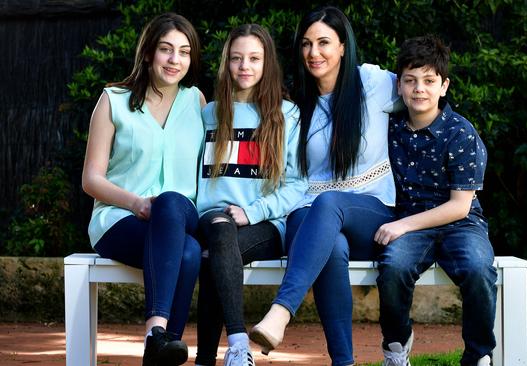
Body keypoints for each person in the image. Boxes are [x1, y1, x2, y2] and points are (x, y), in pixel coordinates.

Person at [250, 6, 401, 366]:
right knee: (329, 245)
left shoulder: (376, 84)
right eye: (306, 44)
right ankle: (343, 362)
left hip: (371, 212)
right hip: (308, 213)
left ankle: (280, 313)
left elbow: (424, 92)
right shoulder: (295, 104)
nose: (313, 53)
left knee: (330, 203)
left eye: (323, 43)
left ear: (343, 46)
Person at [81, 12, 205, 366]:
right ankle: (163, 346)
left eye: (184, 52)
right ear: (149, 53)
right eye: (166, 49)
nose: (174, 59)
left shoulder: (196, 102)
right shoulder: (113, 101)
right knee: (189, 254)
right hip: (119, 220)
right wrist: (135, 202)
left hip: (180, 215)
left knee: (170, 203)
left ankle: (155, 331)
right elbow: (91, 179)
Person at [373, 35, 496, 366]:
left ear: (444, 86)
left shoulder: (461, 133)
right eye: (411, 81)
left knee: (478, 268)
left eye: (429, 81)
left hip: (460, 223)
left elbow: (460, 205)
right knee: (393, 268)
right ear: (399, 85)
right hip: (413, 224)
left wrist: (402, 224)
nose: (419, 89)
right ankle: (396, 346)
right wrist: (405, 225)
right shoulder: (390, 128)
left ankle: (478, 356)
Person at [193, 24, 306, 366]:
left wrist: (254, 211)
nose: (245, 66)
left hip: (266, 224)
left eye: (254, 59)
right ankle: (238, 344)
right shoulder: (209, 113)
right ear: (226, 63)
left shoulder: (287, 114)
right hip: (213, 219)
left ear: (267, 63)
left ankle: (208, 358)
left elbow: (298, 184)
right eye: (237, 58)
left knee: (217, 257)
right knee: (220, 235)